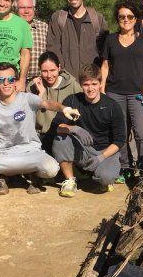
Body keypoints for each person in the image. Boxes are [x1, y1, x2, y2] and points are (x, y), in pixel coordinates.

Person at [0, 62, 80, 195]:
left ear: (16, 81)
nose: (6, 83)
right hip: (3, 155)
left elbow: (47, 103)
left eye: (10, 79)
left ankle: (35, 176)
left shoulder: (27, 99)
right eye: (1, 80)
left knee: (52, 169)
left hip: (31, 152)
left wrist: (64, 108)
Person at [52, 64, 126, 198]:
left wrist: (101, 157)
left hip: (106, 152)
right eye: (86, 84)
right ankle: (69, 180)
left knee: (105, 178)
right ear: (81, 84)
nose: (90, 88)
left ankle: (105, 175)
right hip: (84, 149)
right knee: (60, 138)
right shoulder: (73, 100)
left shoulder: (112, 106)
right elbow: (57, 127)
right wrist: (73, 128)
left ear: (100, 83)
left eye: (94, 84)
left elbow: (120, 140)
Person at [100, 1, 143, 174]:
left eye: (130, 16)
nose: (126, 19)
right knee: (121, 134)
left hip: (137, 94)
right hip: (114, 92)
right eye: (122, 16)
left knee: (141, 133)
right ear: (117, 19)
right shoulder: (110, 39)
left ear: (136, 18)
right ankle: (125, 167)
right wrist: (102, 87)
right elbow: (105, 65)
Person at [46, 0, 108, 80]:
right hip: (66, 80)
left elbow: (105, 51)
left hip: (92, 80)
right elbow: (53, 47)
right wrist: (61, 72)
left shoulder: (97, 19)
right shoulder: (57, 18)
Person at [30, 51, 82, 150]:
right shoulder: (33, 86)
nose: (49, 75)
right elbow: (28, 117)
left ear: (59, 67)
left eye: (52, 70)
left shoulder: (73, 85)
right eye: (44, 71)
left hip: (65, 134)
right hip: (41, 136)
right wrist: (40, 94)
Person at [15, 0, 48, 83]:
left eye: (30, 7)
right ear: (16, 9)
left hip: (40, 81)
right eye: (22, 8)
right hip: (16, 81)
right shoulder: (11, 27)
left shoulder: (44, 27)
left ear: (34, 9)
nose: (26, 11)